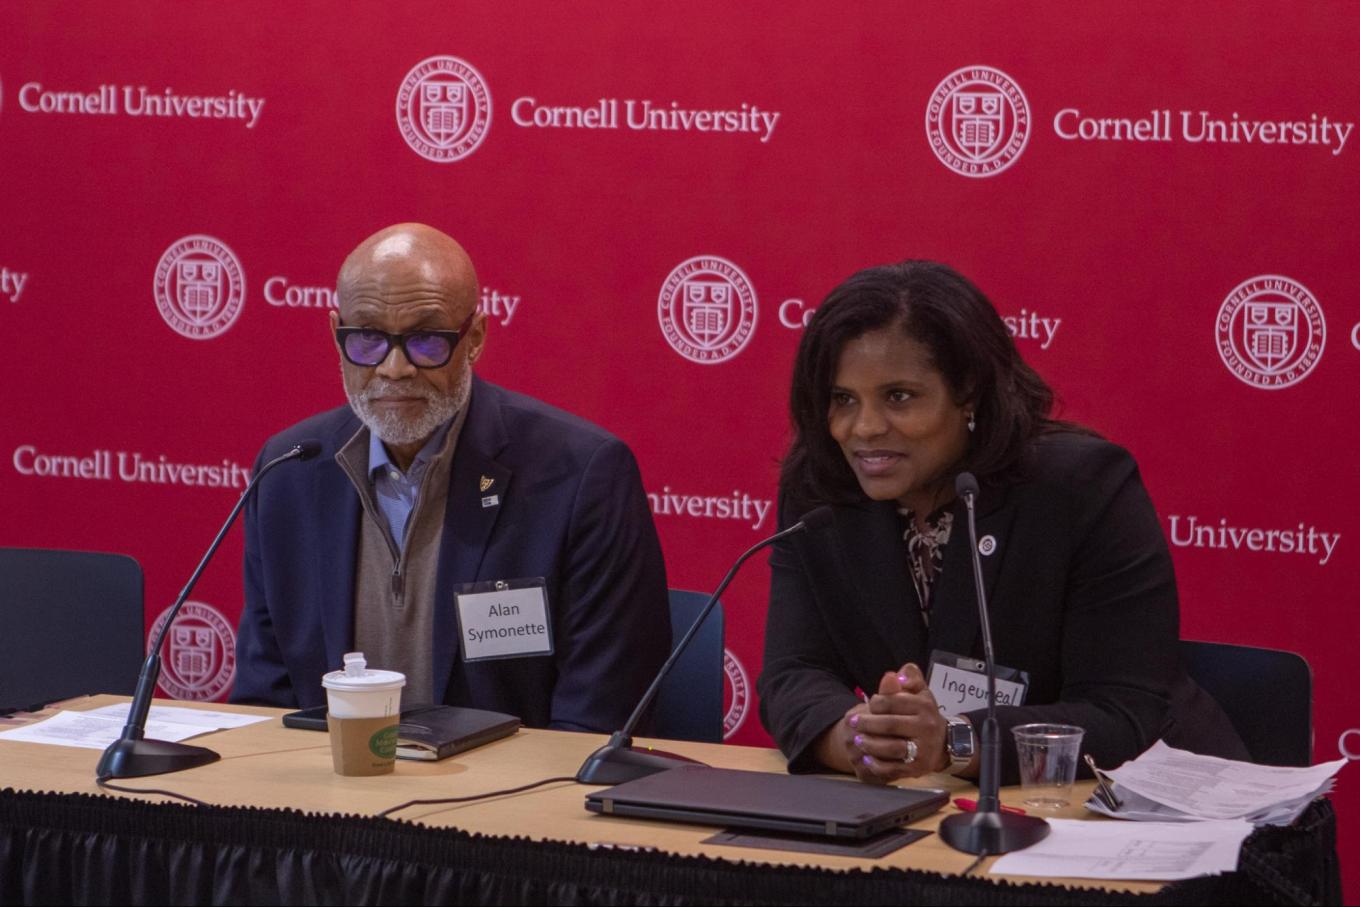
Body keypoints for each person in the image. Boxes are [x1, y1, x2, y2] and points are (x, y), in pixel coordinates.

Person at [758, 260, 1245, 785]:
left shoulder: (1080, 488)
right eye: (842, 399)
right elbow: (793, 673)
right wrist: (858, 737)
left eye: (899, 396)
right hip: (939, 812)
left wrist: (952, 741)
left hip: (1150, 813)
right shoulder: (821, 493)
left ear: (968, 390)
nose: (866, 428)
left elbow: (1124, 714)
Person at [231, 223, 671, 732]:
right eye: (369, 339)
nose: (395, 369)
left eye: (425, 340)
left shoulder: (579, 476)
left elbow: (597, 717)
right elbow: (266, 701)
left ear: (475, 338)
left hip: (506, 799)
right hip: (333, 794)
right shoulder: (290, 470)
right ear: (337, 335)